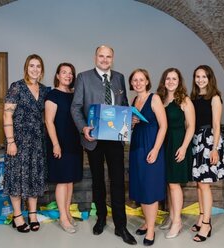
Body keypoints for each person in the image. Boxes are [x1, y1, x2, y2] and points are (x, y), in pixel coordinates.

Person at [71, 45, 137, 245]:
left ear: (112, 58)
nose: (105, 59)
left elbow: (124, 104)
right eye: (101, 56)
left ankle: (121, 225)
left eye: (108, 56)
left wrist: (129, 119)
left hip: (115, 138)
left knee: (118, 181)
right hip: (93, 139)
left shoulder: (119, 77)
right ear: (95, 57)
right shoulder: (83, 77)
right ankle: (101, 218)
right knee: (98, 179)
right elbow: (75, 107)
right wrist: (84, 129)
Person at [3, 54, 47, 233]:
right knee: (17, 177)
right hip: (18, 140)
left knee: (33, 177)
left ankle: (33, 214)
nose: (35, 69)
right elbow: (7, 114)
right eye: (31, 66)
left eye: (38, 66)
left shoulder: (44, 90)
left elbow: (45, 116)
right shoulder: (17, 87)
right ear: (26, 68)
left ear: (42, 70)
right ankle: (17, 216)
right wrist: (10, 141)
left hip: (37, 141)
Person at [190, 65, 224, 242]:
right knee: (200, 184)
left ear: (210, 78)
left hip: (209, 141)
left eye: (204, 76)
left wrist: (215, 148)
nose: (200, 80)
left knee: (205, 184)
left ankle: (207, 223)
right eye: (197, 76)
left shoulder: (214, 98)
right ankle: (201, 217)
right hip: (197, 141)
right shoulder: (194, 97)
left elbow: (216, 125)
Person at [128, 69, 167, 246]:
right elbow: (133, 125)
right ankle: (147, 222)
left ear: (147, 81)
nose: (137, 83)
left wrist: (156, 149)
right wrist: (132, 123)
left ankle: (151, 230)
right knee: (140, 186)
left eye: (141, 80)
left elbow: (163, 126)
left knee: (150, 188)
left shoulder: (155, 98)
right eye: (134, 80)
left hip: (151, 146)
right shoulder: (134, 100)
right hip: (137, 146)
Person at [156, 68, 195, 239]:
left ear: (179, 81)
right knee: (168, 183)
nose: (171, 81)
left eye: (174, 78)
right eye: (168, 78)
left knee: (174, 183)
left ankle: (177, 221)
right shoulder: (161, 99)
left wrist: (184, 147)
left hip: (178, 144)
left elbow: (191, 126)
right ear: (163, 81)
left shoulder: (184, 100)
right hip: (164, 143)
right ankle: (171, 216)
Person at [45, 62, 83, 234]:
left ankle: (67, 213)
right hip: (60, 143)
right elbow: (49, 121)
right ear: (58, 75)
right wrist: (55, 144)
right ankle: (62, 218)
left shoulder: (75, 95)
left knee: (70, 180)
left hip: (74, 142)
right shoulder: (53, 95)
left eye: (71, 73)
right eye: (64, 72)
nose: (68, 76)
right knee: (62, 180)